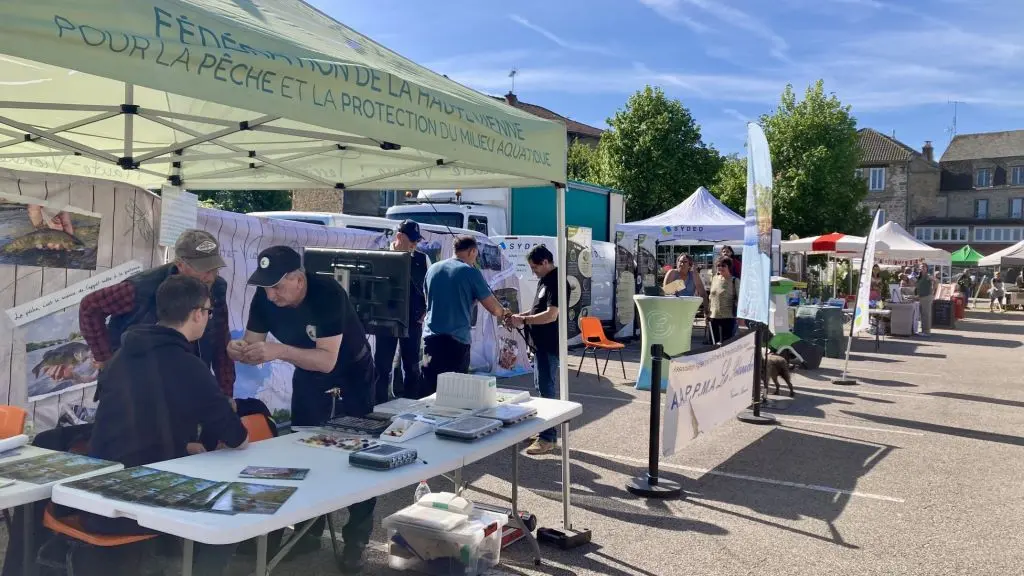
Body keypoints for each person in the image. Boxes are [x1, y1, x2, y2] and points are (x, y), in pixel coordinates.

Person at [86, 275, 248, 576]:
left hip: (94, 489)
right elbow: (237, 437)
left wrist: (182, 444)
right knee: (232, 508)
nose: (208, 318)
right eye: (208, 311)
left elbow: (137, 421)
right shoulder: (189, 366)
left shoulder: (120, 356)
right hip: (137, 499)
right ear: (197, 314)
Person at [229, 246, 375, 571]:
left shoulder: (327, 293)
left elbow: (327, 360)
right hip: (308, 374)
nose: (271, 295)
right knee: (302, 451)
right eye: (266, 287)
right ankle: (307, 533)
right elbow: (253, 343)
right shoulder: (265, 298)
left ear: (299, 278)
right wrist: (238, 349)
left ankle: (357, 539)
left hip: (351, 374)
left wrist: (279, 350)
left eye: (277, 287)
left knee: (359, 456)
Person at [79, 229, 234, 398]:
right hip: (133, 386)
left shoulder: (216, 288)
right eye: (203, 269)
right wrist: (106, 359)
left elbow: (220, 339)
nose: (210, 277)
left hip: (185, 384)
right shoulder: (141, 288)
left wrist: (225, 394)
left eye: (214, 268)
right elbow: (90, 307)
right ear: (180, 264)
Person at [421, 235, 510, 397]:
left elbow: (427, 301)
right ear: (472, 251)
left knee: (429, 391)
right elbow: (493, 308)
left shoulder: (433, 269)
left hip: (431, 339)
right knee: (455, 393)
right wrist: (505, 313)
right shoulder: (470, 272)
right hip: (456, 341)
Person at [511, 245, 567, 456]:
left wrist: (524, 320)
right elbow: (538, 310)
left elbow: (551, 315)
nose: (533, 272)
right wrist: (521, 316)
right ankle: (544, 430)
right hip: (539, 343)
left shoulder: (557, 281)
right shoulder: (545, 280)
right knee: (540, 387)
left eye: (535, 267)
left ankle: (548, 438)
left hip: (549, 342)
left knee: (546, 389)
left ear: (545, 262)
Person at [373, 220, 428, 404]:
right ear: (399, 236)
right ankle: (379, 404)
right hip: (386, 319)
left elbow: (430, 288)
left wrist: (425, 310)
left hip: (413, 319)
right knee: (382, 366)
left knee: (411, 365)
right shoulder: (381, 256)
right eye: (412, 240)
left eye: (417, 240)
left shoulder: (422, 259)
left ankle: (410, 403)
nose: (415, 244)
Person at [708, 257, 739, 344]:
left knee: (726, 345)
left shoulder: (734, 280)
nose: (720, 267)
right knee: (714, 344)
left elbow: (739, 298)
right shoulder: (714, 278)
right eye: (718, 265)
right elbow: (711, 296)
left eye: (723, 265)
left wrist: (739, 316)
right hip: (713, 316)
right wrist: (708, 312)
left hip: (728, 317)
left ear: (729, 267)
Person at [915, 263, 933, 336]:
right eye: (921, 267)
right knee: (922, 315)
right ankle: (923, 330)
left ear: (926, 268)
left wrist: (933, 291)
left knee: (926, 314)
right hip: (920, 297)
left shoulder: (927, 276)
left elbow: (936, 281)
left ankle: (926, 331)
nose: (922, 268)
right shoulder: (919, 276)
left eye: (923, 267)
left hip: (926, 297)